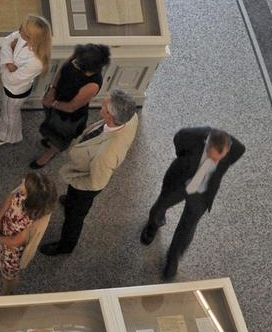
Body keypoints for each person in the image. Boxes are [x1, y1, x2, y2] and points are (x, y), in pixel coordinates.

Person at [39, 88, 141, 257]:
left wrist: (75, 183)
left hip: (85, 186)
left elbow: (95, 182)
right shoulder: (129, 116)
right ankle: (70, 200)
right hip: (87, 168)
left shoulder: (107, 154)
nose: (101, 105)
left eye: (104, 105)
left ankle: (65, 246)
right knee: (71, 200)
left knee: (75, 216)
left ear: (110, 116)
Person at [140, 126, 248, 281]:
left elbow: (236, 153)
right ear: (207, 144)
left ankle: (173, 259)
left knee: (188, 227)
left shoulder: (236, 148)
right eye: (212, 156)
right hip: (179, 182)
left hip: (202, 194)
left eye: (220, 157)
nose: (216, 161)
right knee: (160, 206)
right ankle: (153, 226)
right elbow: (178, 139)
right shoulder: (192, 137)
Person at [29, 43, 109, 168]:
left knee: (59, 136)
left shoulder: (93, 84)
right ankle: (49, 139)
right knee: (49, 122)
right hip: (56, 98)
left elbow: (72, 107)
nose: (74, 61)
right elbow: (62, 70)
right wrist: (52, 90)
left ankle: (51, 153)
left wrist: (53, 104)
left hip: (68, 116)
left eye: (77, 62)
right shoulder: (80, 56)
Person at [0, 170, 55, 294]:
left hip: (13, 252)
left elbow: (15, 241)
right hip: (3, 237)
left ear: (32, 196)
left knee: (9, 276)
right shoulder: (21, 194)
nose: (22, 181)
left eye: (25, 182)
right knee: (0, 254)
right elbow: (8, 202)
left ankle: (6, 292)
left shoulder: (35, 220)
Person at [0, 15, 51, 147]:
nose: (20, 34)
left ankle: (9, 136)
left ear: (36, 39)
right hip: (9, 86)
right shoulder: (23, 35)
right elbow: (6, 42)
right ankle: (1, 125)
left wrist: (6, 64)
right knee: (6, 110)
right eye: (21, 29)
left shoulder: (37, 62)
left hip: (15, 91)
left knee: (11, 115)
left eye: (25, 35)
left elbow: (12, 79)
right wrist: (9, 63)